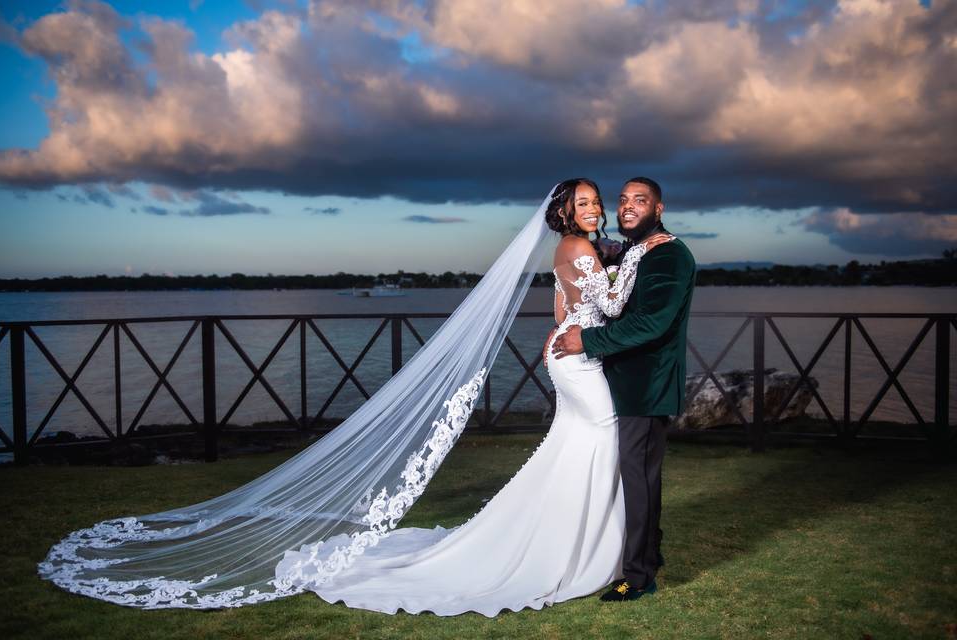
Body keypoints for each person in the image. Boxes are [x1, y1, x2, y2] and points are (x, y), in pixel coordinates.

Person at [37, 180, 670, 614]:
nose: (593, 209)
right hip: (583, 370)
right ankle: (582, 552)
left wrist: (565, 326)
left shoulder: (574, 251)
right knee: (598, 445)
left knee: (578, 453)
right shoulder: (582, 247)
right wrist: (638, 257)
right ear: (564, 213)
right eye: (585, 203)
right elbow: (610, 305)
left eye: (596, 202)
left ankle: (592, 547)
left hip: (574, 359)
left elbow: (564, 305)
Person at [552, 177, 696, 602]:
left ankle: (638, 576)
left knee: (638, 478)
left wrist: (586, 340)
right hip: (623, 380)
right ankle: (647, 553)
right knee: (635, 475)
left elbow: (652, 321)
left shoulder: (668, 254)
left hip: (646, 385)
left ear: (659, 208)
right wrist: (565, 327)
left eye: (640, 200)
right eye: (623, 200)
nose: (628, 206)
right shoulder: (635, 250)